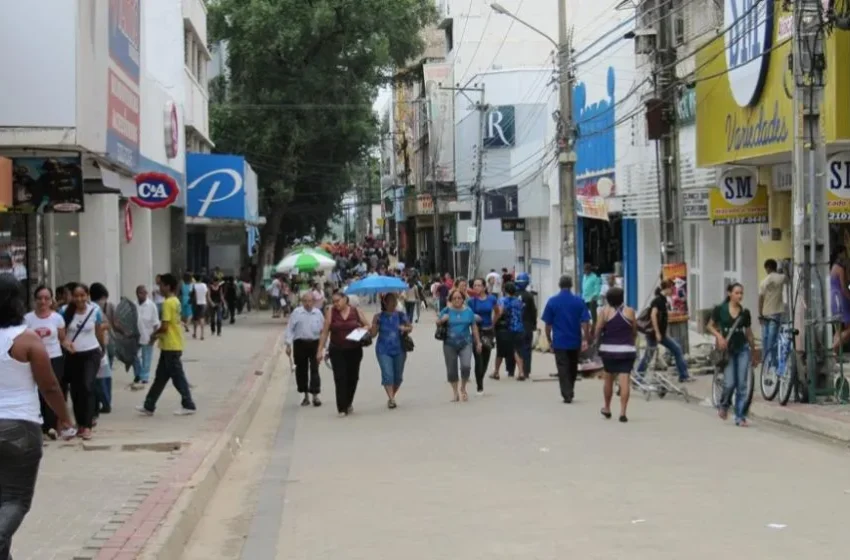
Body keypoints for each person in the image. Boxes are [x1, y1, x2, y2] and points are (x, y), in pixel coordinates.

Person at [0, 274, 75, 560]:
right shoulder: (26, 340)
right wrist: (65, 417)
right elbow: (49, 386)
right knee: (16, 500)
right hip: (20, 427)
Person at [137, 274, 197, 416]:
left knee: (178, 377)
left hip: (171, 345)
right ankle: (149, 405)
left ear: (168, 286)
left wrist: (153, 335)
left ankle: (188, 404)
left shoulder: (168, 303)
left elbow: (164, 326)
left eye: (161, 285)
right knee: (161, 377)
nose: (160, 288)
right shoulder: (175, 301)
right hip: (170, 345)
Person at [60, 283, 106, 439]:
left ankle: (87, 425)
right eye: (76, 295)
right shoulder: (65, 311)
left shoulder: (95, 311)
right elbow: (61, 333)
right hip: (72, 355)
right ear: (72, 297)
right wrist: (65, 344)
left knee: (87, 385)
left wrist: (102, 349)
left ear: (87, 296)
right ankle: (80, 423)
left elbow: (99, 331)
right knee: (76, 390)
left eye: (82, 295)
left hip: (91, 353)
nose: (79, 299)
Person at [707, 283, 756, 427]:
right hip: (728, 351)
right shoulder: (720, 310)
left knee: (742, 385)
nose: (739, 296)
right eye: (736, 293)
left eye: (741, 293)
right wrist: (719, 337)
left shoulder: (745, 313)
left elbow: (748, 333)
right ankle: (724, 404)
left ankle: (740, 416)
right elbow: (709, 325)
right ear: (729, 294)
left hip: (742, 350)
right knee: (730, 383)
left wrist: (754, 351)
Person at [24, 285, 67, 439]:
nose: (43, 301)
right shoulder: (27, 319)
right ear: (35, 300)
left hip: (54, 358)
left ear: (51, 300)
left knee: (52, 390)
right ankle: (39, 425)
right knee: (36, 392)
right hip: (34, 360)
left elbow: (62, 339)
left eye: (46, 298)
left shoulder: (57, 318)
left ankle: (52, 426)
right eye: (39, 298)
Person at [317, 291, 369, 417]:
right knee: (340, 378)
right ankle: (342, 407)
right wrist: (320, 350)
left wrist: (362, 329)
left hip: (354, 349)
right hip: (337, 349)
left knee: (353, 377)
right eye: (333, 301)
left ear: (345, 299)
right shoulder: (331, 312)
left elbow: (368, 324)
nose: (335, 304)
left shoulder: (355, 311)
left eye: (338, 301)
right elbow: (324, 332)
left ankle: (348, 402)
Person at [542, 275, 591, 404]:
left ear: (559, 285)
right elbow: (585, 322)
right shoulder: (579, 301)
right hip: (575, 340)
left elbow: (548, 324)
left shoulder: (552, 301)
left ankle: (566, 393)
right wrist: (586, 338)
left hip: (559, 341)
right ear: (571, 286)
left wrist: (549, 340)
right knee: (573, 366)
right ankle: (570, 389)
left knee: (562, 367)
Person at [635, 280, 691, 383]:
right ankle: (638, 377)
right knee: (649, 355)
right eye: (672, 289)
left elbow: (663, 315)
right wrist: (657, 333)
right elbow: (653, 316)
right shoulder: (657, 300)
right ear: (667, 288)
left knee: (677, 349)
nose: (673, 291)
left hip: (662, 334)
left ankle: (684, 375)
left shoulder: (664, 300)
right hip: (654, 334)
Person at [595, 287, 636, 422]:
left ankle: (607, 408)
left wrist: (593, 341)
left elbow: (598, 329)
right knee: (625, 380)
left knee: (609, 379)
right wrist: (632, 342)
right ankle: (623, 412)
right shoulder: (630, 311)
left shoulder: (605, 311)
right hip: (627, 350)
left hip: (609, 350)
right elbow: (634, 330)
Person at [438, 288, 482, 402]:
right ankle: (455, 392)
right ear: (451, 300)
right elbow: (437, 322)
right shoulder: (446, 310)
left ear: (463, 299)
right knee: (451, 370)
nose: (457, 300)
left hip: (466, 343)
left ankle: (463, 388)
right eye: (454, 298)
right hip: (449, 344)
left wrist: (478, 342)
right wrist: (442, 320)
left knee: (466, 366)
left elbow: (474, 328)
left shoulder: (468, 311)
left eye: (459, 298)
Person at [369, 293, 411, 409]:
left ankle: (392, 395)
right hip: (383, 350)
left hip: (399, 349)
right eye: (391, 301)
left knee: (398, 377)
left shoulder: (401, 315)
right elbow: (373, 335)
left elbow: (410, 327)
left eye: (395, 301)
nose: (394, 304)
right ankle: (391, 399)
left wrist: (404, 328)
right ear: (385, 303)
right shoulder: (378, 317)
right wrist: (373, 324)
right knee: (388, 374)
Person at [285, 292, 324, 407]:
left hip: (314, 343)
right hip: (300, 344)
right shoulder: (297, 313)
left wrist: (324, 348)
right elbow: (290, 329)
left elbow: (323, 331)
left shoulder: (318, 313)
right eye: (305, 301)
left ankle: (315, 395)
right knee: (301, 370)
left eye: (310, 301)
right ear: (302, 302)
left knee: (314, 369)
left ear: (314, 302)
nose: (308, 303)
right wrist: (288, 344)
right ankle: (305, 395)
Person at [469, 278, 498, 395]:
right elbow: (469, 317)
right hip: (477, 332)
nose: (477, 288)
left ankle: (481, 376)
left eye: (479, 285)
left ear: (484, 287)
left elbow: (498, 311)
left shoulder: (492, 299)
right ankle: (479, 386)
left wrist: (493, 323)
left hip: (489, 332)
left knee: (486, 360)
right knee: (478, 359)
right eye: (475, 285)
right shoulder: (471, 301)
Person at [759, 259, 787, 366]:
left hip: (765, 313)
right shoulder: (781, 277)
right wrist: (783, 269)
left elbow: (760, 299)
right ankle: (773, 363)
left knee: (765, 340)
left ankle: (766, 363)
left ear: (767, 268)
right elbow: (789, 279)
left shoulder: (763, 281)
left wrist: (760, 314)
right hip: (776, 313)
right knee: (773, 339)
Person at [497, 282, 526, 380]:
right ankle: (521, 372)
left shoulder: (502, 300)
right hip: (520, 327)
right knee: (518, 350)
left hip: (508, 328)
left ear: (505, 290)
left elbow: (500, 312)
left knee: (501, 351)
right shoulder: (519, 301)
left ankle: (496, 372)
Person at [133, 285, 160, 385]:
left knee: (146, 357)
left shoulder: (151, 305)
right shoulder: (134, 305)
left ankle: (144, 377)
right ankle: (138, 373)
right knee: (133, 356)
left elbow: (156, 322)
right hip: (135, 336)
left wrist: (155, 336)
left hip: (147, 335)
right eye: (140, 293)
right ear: (137, 294)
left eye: (144, 293)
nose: (142, 295)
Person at [515, 272, 538, 379]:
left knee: (516, 349)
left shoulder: (513, 295)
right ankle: (526, 371)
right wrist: (534, 325)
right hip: (527, 325)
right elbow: (533, 312)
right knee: (527, 349)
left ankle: (516, 370)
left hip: (516, 326)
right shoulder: (529, 296)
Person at [830, 245, 850, 352]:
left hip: (833, 298)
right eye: (845, 252)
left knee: (837, 328)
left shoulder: (833, 266)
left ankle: (835, 353)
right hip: (841, 298)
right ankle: (835, 347)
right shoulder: (840, 268)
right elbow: (844, 287)